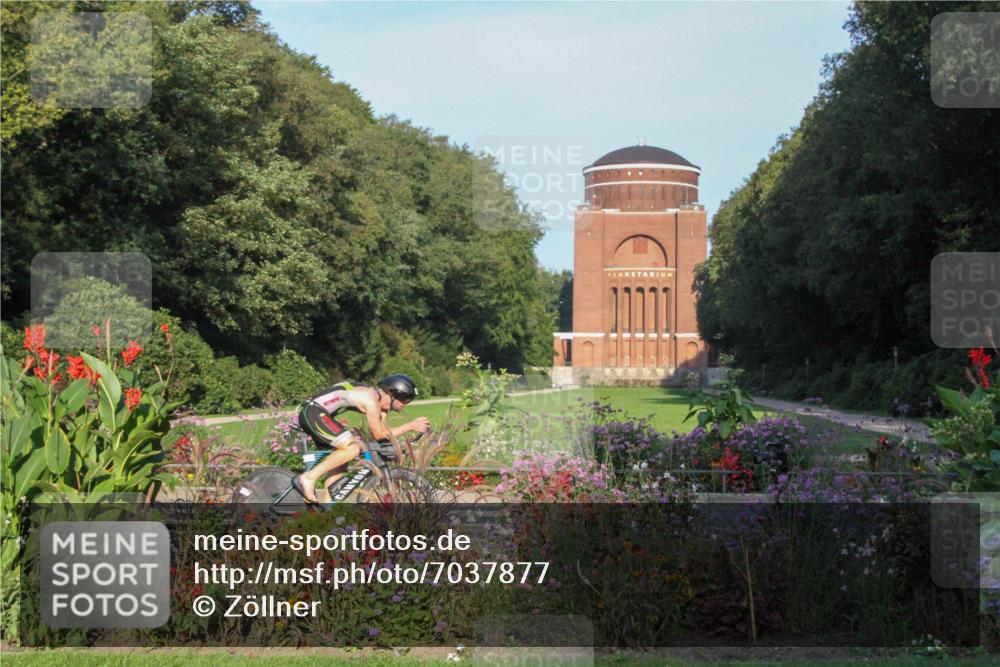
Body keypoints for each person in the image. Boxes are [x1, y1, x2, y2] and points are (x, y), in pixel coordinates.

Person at [293, 374, 430, 504]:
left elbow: (384, 434)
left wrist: (399, 444)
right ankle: (308, 478)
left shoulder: (381, 406)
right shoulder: (370, 399)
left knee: (340, 462)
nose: (405, 404)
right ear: (392, 394)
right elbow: (378, 434)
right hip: (313, 412)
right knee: (353, 448)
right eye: (405, 399)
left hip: (319, 414)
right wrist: (410, 426)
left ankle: (327, 510)